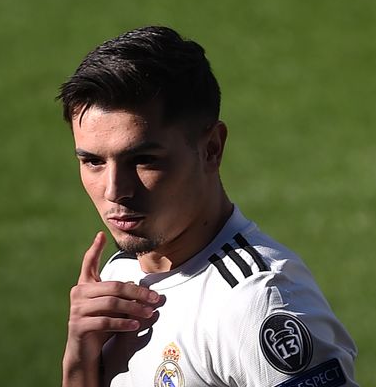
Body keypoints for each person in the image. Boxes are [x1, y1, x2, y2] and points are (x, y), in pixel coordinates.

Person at [58, 26, 358, 387]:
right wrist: (79, 364)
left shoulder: (257, 304)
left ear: (212, 149)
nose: (114, 191)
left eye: (144, 160)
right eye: (92, 161)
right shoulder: (120, 275)